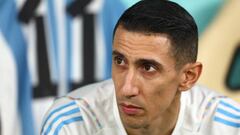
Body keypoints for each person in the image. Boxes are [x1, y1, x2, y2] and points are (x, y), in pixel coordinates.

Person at [40, 0, 240, 135]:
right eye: (120, 61)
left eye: (148, 68)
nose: (127, 89)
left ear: (188, 76)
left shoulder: (226, 125)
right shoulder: (71, 123)